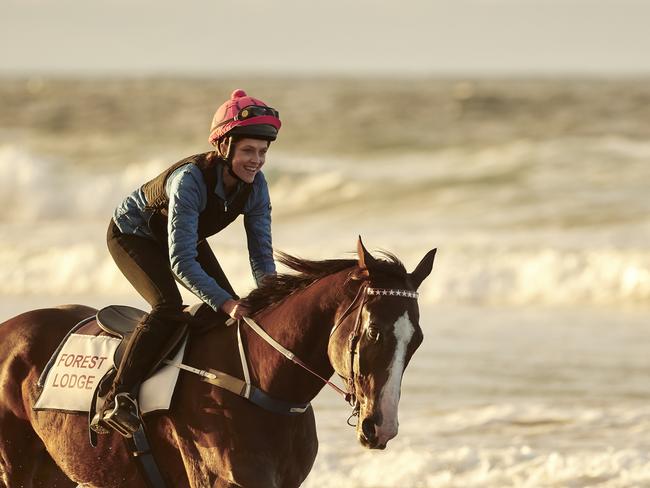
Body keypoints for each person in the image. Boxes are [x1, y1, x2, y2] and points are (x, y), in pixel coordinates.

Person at [91, 89, 281, 436]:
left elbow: (261, 255)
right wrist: (226, 302)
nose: (257, 160)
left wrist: (273, 297)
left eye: (263, 152)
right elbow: (181, 261)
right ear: (224, 148)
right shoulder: (190, 180)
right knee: (168, 306)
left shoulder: (257, 186)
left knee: (223, 311)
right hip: (133, 236)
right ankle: (117, 396)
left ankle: (187, 384)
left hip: (179, 238)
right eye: (248, 151)